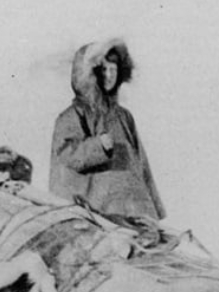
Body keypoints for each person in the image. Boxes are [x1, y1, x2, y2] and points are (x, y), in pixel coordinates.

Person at [50, 38, 165, 221]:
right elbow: (67, 156)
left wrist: (154, 208)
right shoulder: (72, 115)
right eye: (104, 70)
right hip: (98, 212)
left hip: (134, 209)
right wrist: (98, 146)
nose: (109, 75)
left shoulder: (124, 116)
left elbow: (141, 163)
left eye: (113, 70)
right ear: (90, 73)